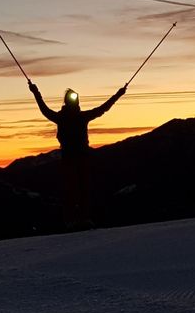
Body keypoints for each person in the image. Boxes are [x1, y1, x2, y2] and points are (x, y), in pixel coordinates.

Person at [29, 82, 126, 229]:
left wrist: (119, 94)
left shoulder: (77, 117)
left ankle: (83, 218)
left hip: (79, 157)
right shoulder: (68, 117)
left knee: (82, 188)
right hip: (72, 158)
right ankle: (71, 220)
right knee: (72, 189)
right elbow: (44, 109)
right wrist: (35, 92)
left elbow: (103, 108)